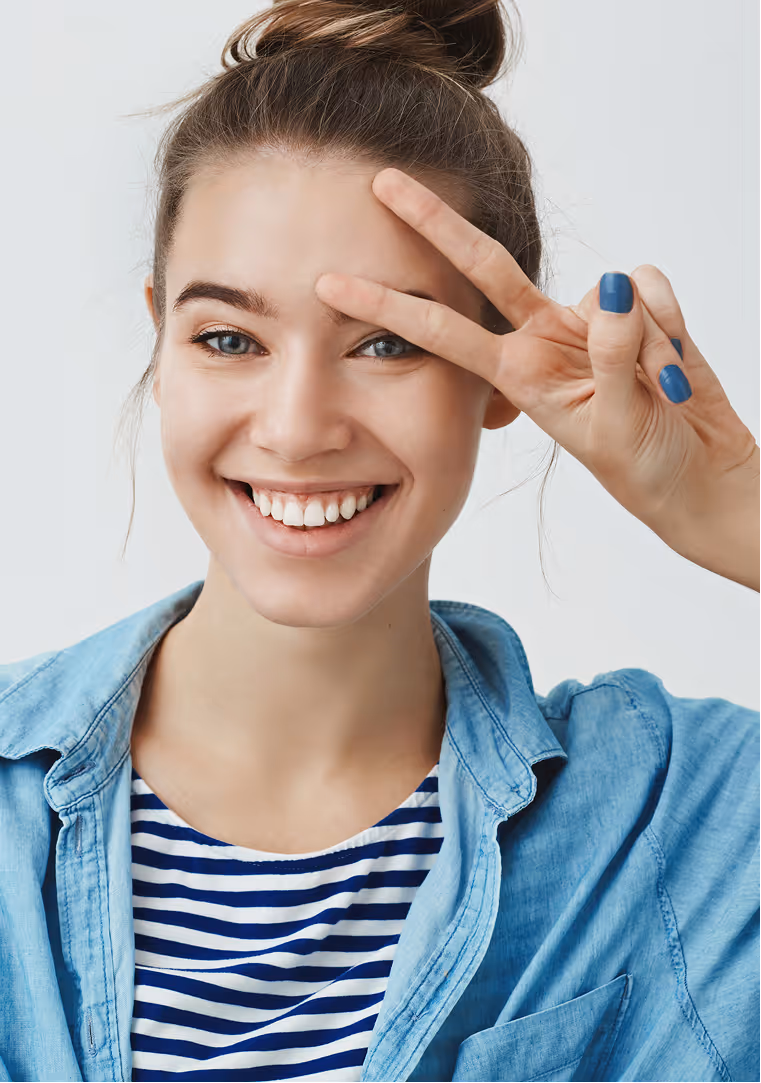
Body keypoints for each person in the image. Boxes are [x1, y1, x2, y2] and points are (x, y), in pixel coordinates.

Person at [0, 1, 758, 1080]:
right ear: (159, 342)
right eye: (227, 338)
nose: (298, 427)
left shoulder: (679, 815)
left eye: (387, 342)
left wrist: (734, 513)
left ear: (496, 376)